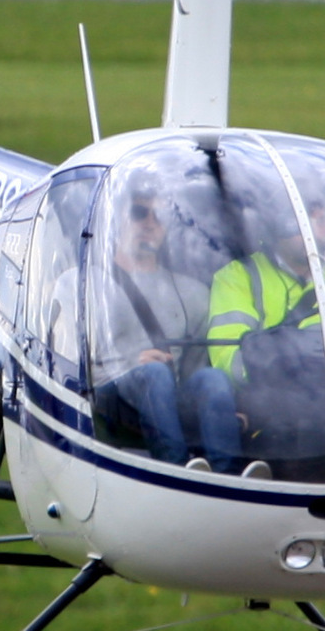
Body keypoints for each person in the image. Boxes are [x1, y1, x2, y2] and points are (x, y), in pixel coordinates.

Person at [205, 191, 325, 480]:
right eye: (301, 215)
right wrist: (299, 380)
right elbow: (228, 359)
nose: (314, 222)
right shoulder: (237, 277)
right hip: (271, 419)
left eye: (320, 213)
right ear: (273, 224)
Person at [89, 188, 244, 472]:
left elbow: (195, 371)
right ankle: (174, 467)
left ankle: (231, 475)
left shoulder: (193, 293)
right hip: (111, 397)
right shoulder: (86, 285)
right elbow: (72, 367)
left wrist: (225, 407)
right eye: (139, 213)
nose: (149, 223)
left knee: (213, 379)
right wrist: (129, 367)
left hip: (169, 395)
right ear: (116, 221)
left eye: (158, 217)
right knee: (154, 374)